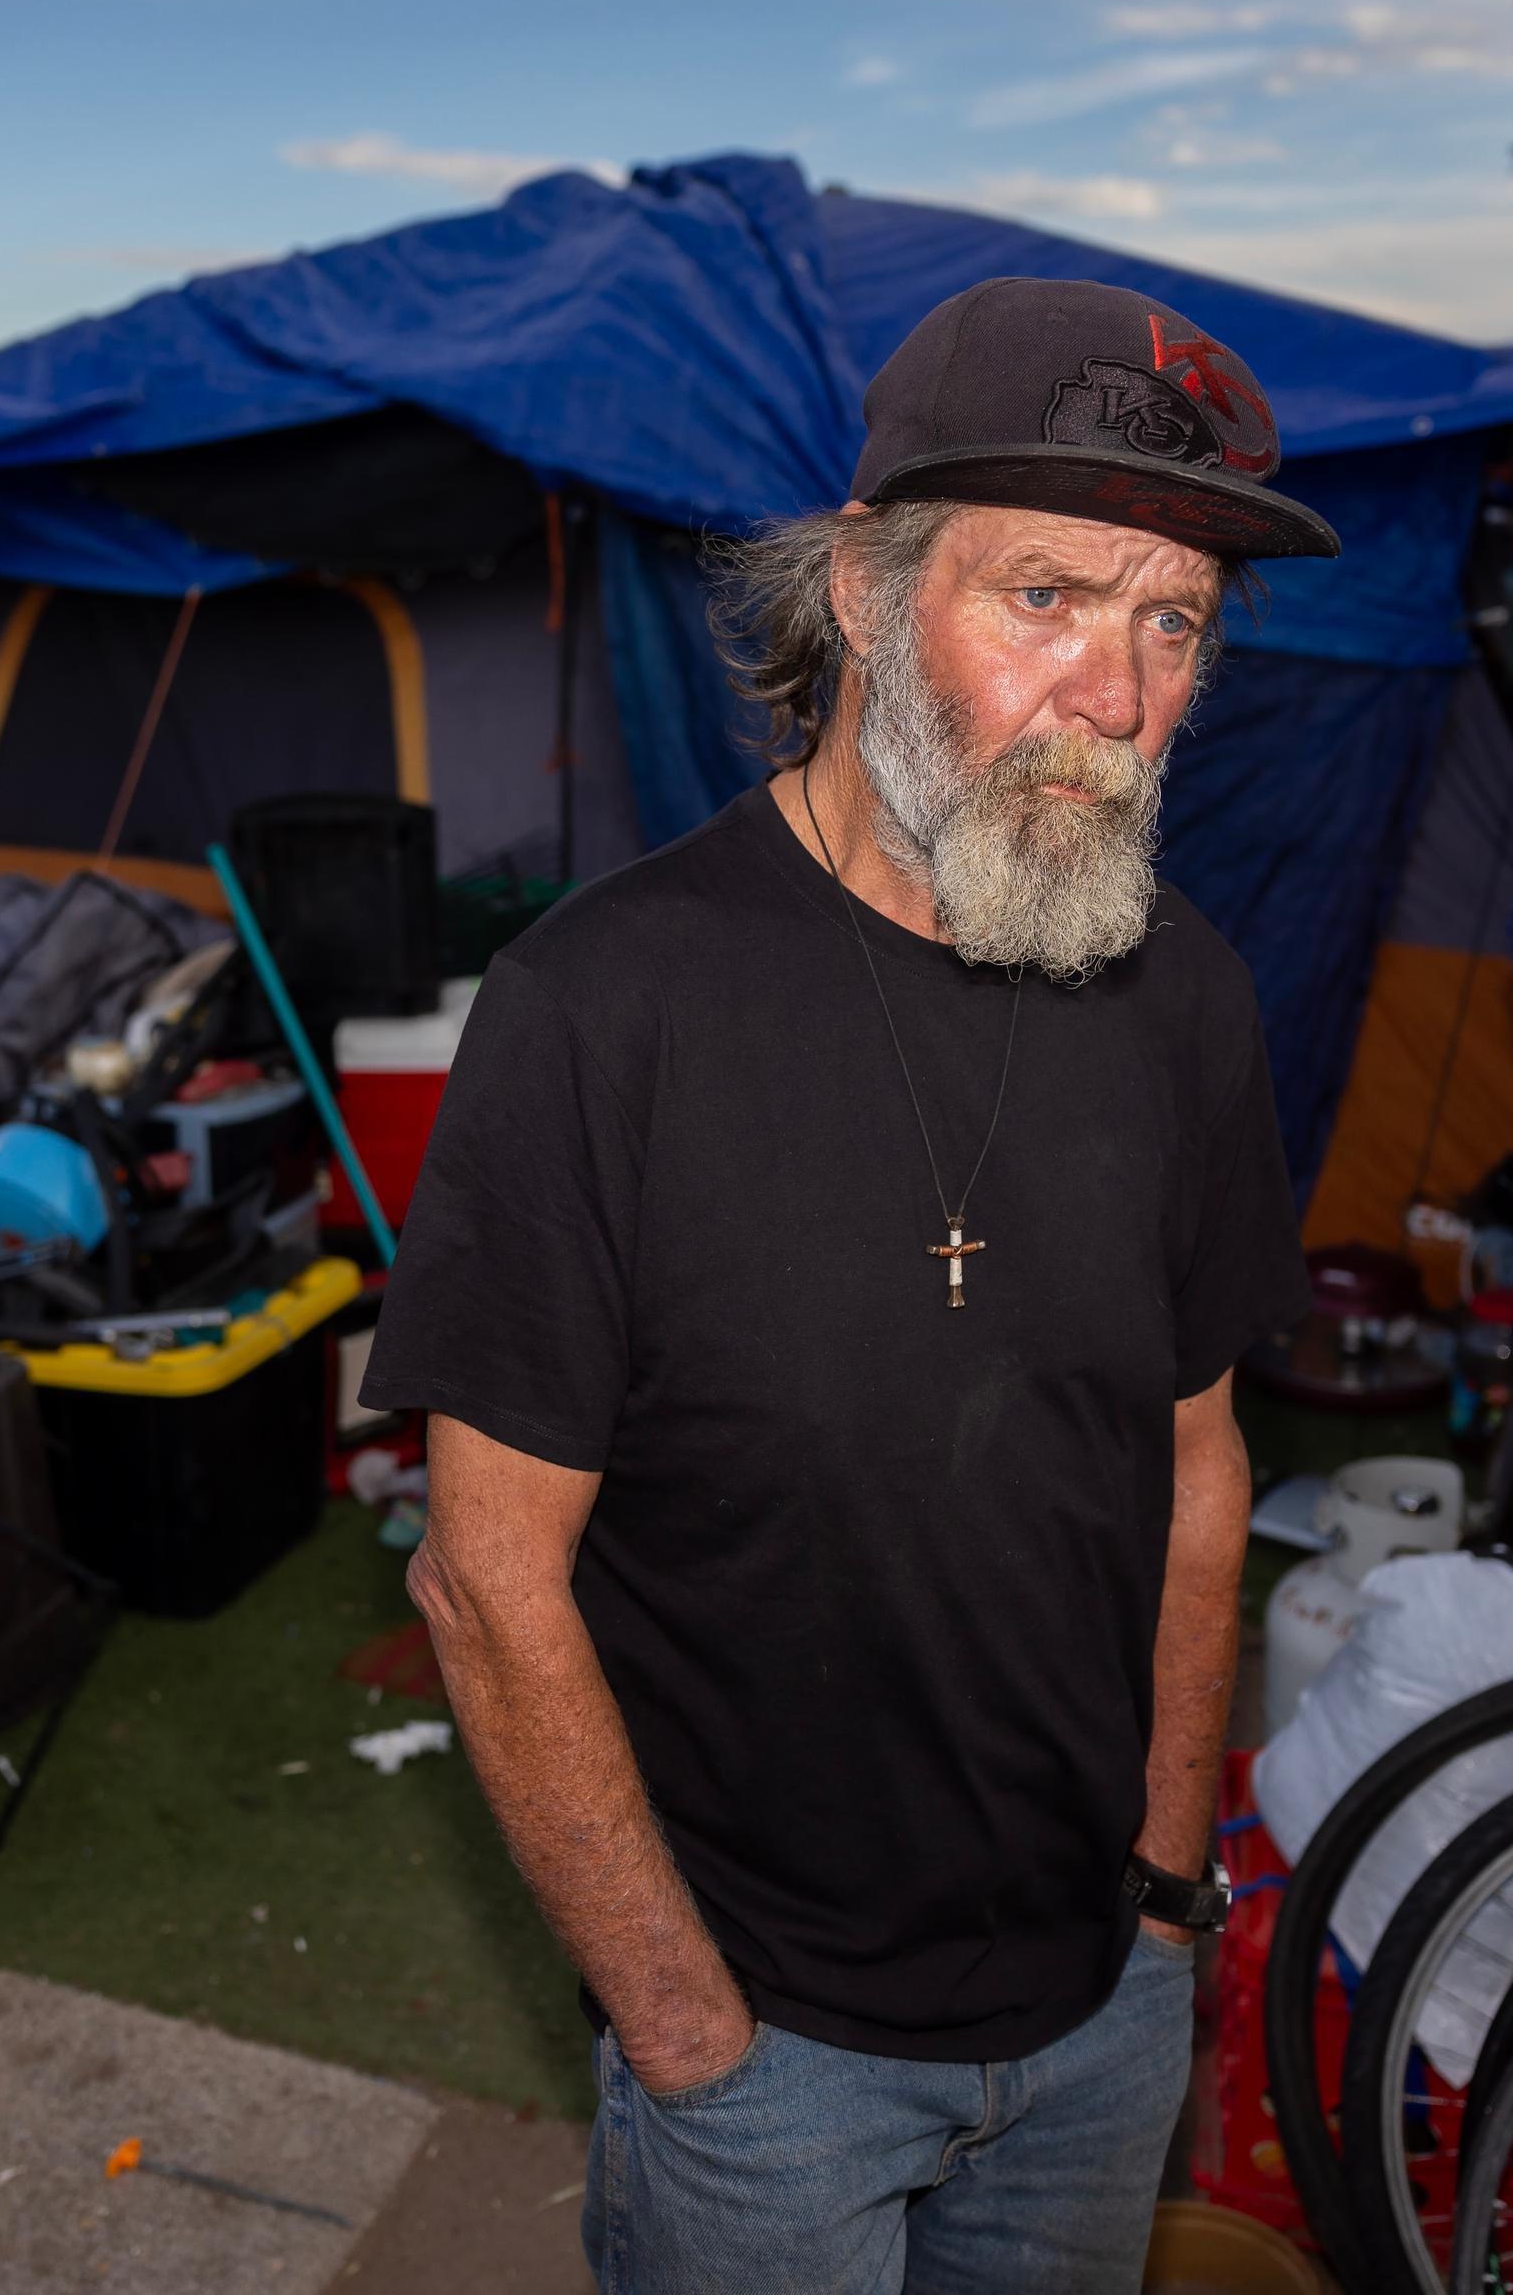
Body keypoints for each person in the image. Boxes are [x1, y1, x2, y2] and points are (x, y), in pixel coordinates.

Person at [362, 276, 1330, 2292]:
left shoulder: (1191, 1000)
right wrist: (689, 2028)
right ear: (873, 599)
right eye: (1049, 598)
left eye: (1175, 623)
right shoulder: (600, 1011)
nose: (1123, 692)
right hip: (764, 2055)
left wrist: (1161, 1901)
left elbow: (1200, 1470)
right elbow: (486, 1572)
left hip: (1097, 2015)